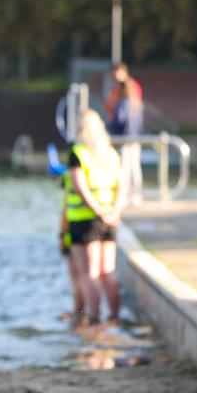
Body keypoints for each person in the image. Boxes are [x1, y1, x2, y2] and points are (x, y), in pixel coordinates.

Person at [66, 110, 126, 328]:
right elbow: (122, 186)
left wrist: (99, 212)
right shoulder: (111, 153)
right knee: (107, 272)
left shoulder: (78, 153)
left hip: (85, 219)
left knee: (88, 273)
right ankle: (115, 316)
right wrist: (114, 212)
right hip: (110, 219)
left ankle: (93, 318)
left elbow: (80, 188)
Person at [104, 63, 144, 206]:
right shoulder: (132, 99)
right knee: (133, 165)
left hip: (124, 135)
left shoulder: (125, 95)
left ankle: (128, 194)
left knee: (125, 166)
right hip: (134, 135)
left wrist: (110, 128)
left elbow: (118, 117)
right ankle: (135, 194)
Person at [59, 170, 86, 324]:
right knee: (94, 274)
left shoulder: (69, 177)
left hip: (75, 231)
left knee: (78, 277)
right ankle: (92, 315)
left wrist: (62, 236)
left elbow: (65, 210)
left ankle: (80, 313)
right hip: (102, 224)